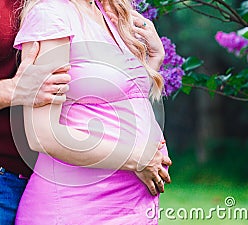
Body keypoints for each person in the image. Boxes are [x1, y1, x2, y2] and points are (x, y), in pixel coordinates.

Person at [0, 0, 171, 224]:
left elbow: (94, 96)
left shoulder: (80, 8)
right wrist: (14, 90)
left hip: (35, 180)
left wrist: (150, 62)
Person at [14, 0, 170, 224]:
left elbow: (117, 100)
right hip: (79, 207)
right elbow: (42, 134)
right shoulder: (51, 14)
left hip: (135, 205)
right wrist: (137, 158)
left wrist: (154, 58)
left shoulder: (109, 13)